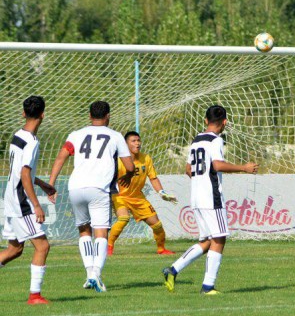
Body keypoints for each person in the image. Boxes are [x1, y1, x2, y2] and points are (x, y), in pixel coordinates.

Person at [162, 105, 258, 295]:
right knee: (220, 238)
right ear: (224, 122)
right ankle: (208, 286)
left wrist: (201, 180)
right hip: (211, 198)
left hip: (197, 197)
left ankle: (173, 270)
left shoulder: (196, 140)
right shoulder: (216, 140)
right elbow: (217, 165)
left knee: (208, 241)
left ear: (206, 120)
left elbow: (188, 169)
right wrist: (244, 168)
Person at [48, 101, 134, 292]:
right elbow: (129, 167)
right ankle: (96, 275)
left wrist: (51, 184)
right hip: (99, 189)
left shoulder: (76, 135)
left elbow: (61, 156)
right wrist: (127, 176)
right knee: (101, 233)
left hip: (76, 187)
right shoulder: (115, 136)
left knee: (84, 231)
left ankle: (89, 276)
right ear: (108, 116)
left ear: (89, 116)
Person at [0, 96, 56, 304]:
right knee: (42, 247)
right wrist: (36, 204)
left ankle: (35, 295)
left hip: (11, 197)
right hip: (21, 201)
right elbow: (24, 175)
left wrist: (41, 183)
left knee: (15, 249)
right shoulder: (31, 142)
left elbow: (20, 172)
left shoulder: (18, 135)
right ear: (42, 114)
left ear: (24, 113)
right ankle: (35, 296)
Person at [107, 131, 177, 256]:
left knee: (157, 225)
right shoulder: (117, 159)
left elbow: (153, 178)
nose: (137, 143)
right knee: (123, 218)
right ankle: (108, 248)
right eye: (133, 141)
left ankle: (161, 249)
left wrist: (162, 192)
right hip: (120, 196)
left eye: (138, 140)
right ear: (125, 144)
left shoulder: (146, 158)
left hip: (138, 197)